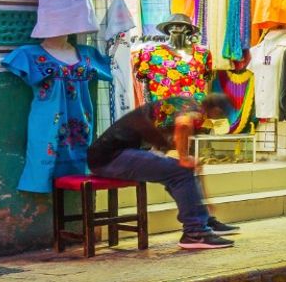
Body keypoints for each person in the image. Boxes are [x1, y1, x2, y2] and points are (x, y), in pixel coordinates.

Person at [86, 92, 237, 250]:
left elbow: (164, 136)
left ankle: (203, 221)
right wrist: (184, 157)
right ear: (217, 111)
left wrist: (182, 158)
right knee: (181, 171)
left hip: (111, 155)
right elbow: (183, 124)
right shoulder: (192, 107)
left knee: (183, 170)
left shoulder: (184, 103)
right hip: (110, 157)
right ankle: (196, 231)